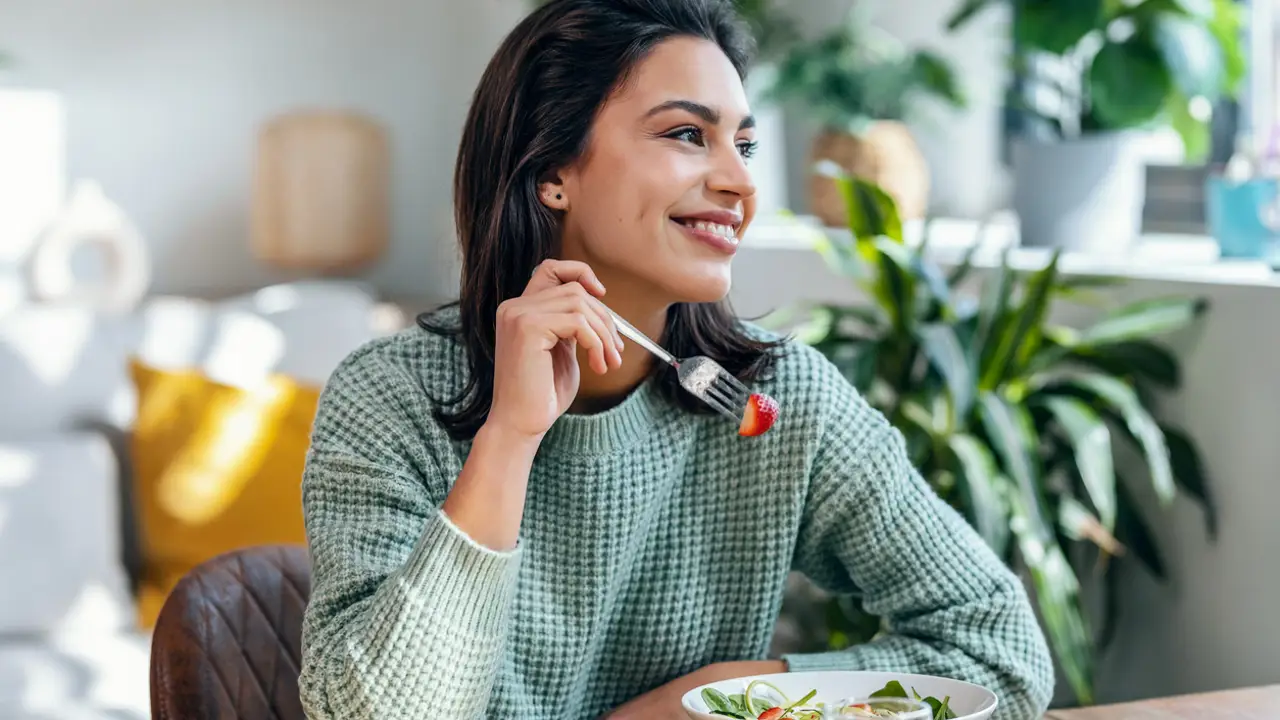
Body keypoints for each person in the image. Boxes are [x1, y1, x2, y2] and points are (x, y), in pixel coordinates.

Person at [297, 0, 1054, 718]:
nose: (740, 182)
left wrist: (728, 696)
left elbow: (1003, 650)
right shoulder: (388, 397)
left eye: (743, 144)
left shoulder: (779, 402)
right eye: (688, 135)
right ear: (552, 172)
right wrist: (509, 438)